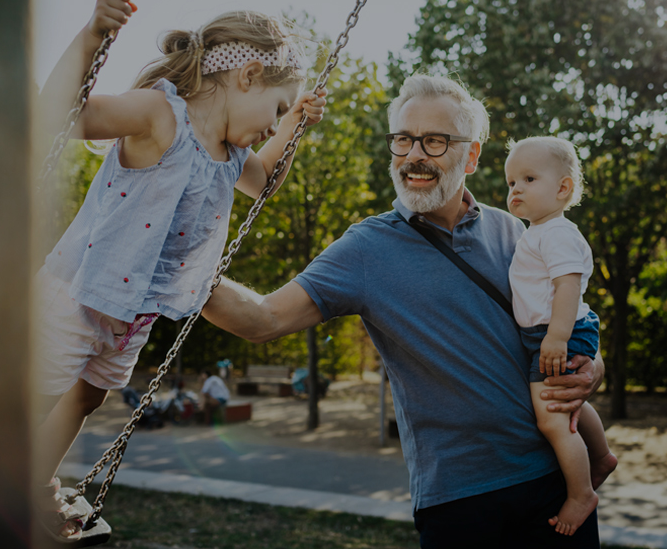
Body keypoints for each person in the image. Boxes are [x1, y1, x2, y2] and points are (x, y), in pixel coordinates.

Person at [203, 74, 605, 548]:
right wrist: (182, 270)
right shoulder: (365, 249)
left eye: (435, 141)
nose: (414, 154)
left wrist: (594, 366)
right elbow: (264, 319)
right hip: (458, 498)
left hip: (551, 480)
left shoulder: (514, 230)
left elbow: (572, 317)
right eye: (403, 140)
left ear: (471, 156)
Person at [33, 0, 326, 540]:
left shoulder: (232, 157)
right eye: (277, 107)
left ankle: (34, 481)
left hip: (135, 310)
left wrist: (293, 128)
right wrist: (93, 34)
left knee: (88, 396)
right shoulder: (160, 114)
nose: (273, 123)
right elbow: (67, 114)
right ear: (248, 74)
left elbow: (264, 181)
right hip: (77, 292)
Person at [504, 137, 619, 536]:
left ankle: (581, 493)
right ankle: (601, 456)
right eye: (511, 182)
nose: (515, 189)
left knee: (551, 419)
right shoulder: (536, 232)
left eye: (528, 178)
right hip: (551, 333)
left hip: (558, 333)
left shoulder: (557, 233)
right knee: (566, 404)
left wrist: (556, 337)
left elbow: (568, 286)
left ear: (563, 188)